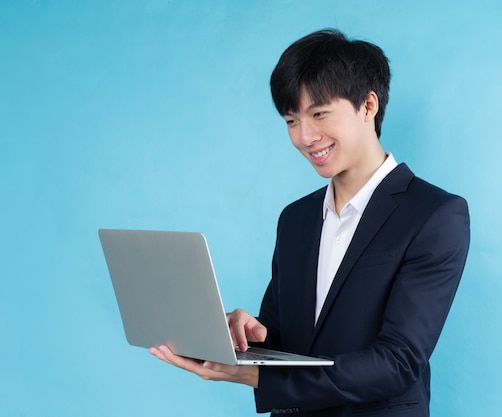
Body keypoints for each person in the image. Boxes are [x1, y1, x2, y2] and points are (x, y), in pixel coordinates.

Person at [149, 29, 470, 417]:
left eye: (319, 114)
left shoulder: (433, 215)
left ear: (368, 106)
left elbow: (397, 363)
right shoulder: (296, 219)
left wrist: (258, 379)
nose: (305, 137)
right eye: (290, 120)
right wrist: (244, 336)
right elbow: (287, 339)